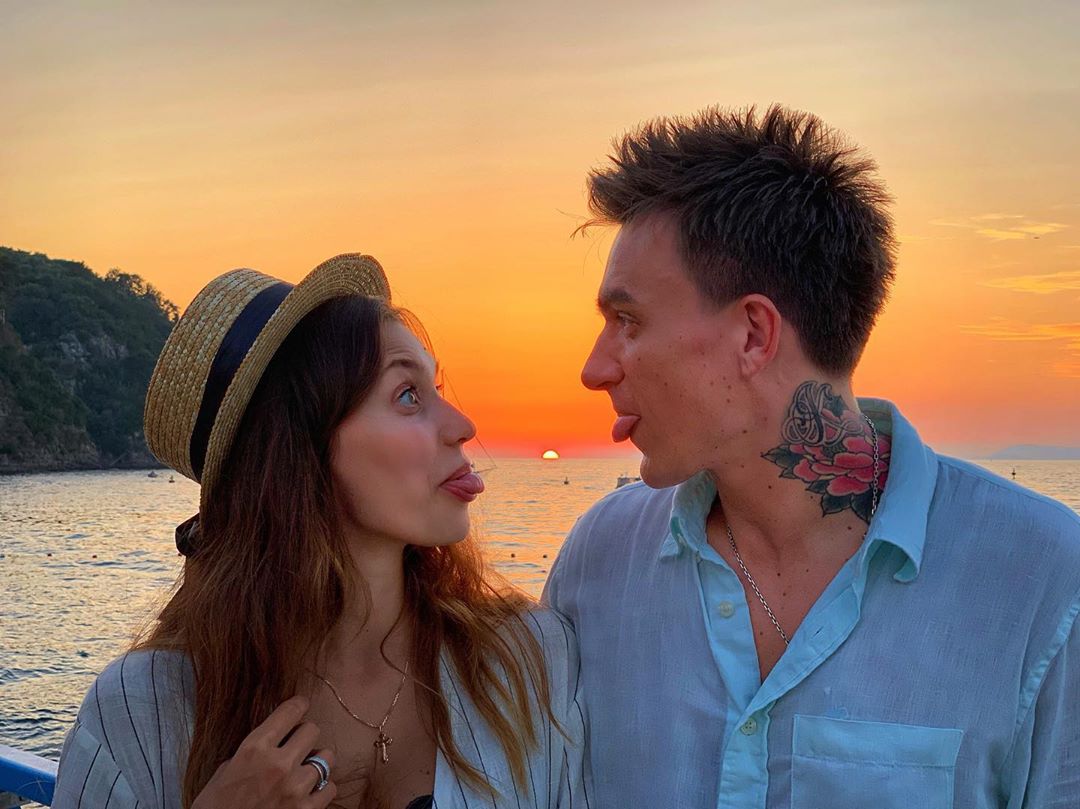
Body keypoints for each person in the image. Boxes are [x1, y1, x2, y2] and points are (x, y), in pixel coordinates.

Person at [543, 105, 1080, 808]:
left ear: (753, 334)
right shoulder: (599, 563)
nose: (595, 368)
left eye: (628, 320)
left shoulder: (1043, 582)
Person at [53, 254, 587, 809]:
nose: (463, 426)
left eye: (436, 388)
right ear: (299, 451)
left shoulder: (527, 661)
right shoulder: (142, 710)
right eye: (408, 395)